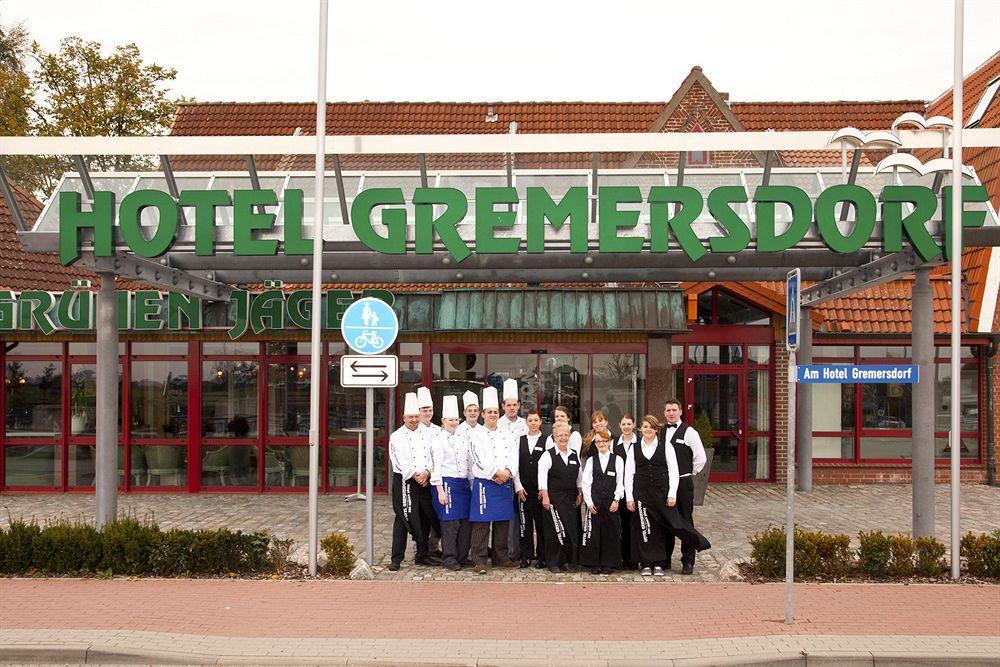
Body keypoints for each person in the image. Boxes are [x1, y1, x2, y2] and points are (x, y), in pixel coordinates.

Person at [625, 414, 710, 577]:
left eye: (650, 426)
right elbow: (629, 473)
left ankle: (659, 562)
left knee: (661, 527)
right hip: (641, 492)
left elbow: (673, 471)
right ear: (641, 429)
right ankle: (646, 563)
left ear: (656, 429)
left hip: (661, 492)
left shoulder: (666, 446)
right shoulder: (634, 448)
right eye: (645, 426)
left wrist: (672, 494)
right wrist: (629, 497)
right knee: (644, 527)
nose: (647, 429)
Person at [468, 386, 518, 574]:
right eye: (489, 412)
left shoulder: (506, 433)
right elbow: (477, 458)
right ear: (483, 414)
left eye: (495, 412)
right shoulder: (476, 433)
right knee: (481, 522)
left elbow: (513, 454)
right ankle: (479, 560)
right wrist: (495, 473)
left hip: (504, 482)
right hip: (485, 482)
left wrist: (507, 471)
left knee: (503, 522)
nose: (493, 415)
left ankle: (501, 557)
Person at [388, 392, 440, 571]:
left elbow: (434, 455)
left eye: (416, 417)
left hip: (425, 481)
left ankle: (422, 555)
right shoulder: (396, 436)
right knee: (403, 518)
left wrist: (427, 472)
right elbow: (399, 459)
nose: (414, 420)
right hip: (405, 480)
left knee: (425, 517)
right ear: (404, 417)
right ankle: (396, 558)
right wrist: (415, 474)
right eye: (410, 417)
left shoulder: (428, 434)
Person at [661, 399, 709, 575]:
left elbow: (700, 458)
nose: (671, 413)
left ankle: (688, 560)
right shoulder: (661, 432)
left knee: (685, 520)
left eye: (674, 410)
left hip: (683, 483)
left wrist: (689, 473)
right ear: (664, 413)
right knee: (665, 521)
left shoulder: (690, 432)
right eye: (668, 410)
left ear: (680, 411)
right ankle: (664, 558)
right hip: (664, 483)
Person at [430, 395, 474, 571]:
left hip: (463, 485)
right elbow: (436, 468)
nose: (454, 422)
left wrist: (471, 484)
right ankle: (449, 558)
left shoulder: (463, 439)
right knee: (450, 523)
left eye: (456, 419)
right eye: (450, 420)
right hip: (446, 484)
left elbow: (469, 464)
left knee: (465, 523)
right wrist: (440, 491)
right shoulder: (438, 441)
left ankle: (462, 556)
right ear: (443, 421)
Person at [539, 422, 583, 573]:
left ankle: (566, 560)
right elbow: (542, 477)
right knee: (555, 530)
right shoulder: (548, 455)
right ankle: (553, 562)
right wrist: (545, 496)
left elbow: (579, 475)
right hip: (554, 498)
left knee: (570, 529)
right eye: (560, 435)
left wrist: (580, 491)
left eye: (566, 435)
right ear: (554, 437)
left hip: (570, 497)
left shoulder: (574, 454)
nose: (563, 438)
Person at [580, 428, 624, 574]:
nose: (601, 444)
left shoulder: (617, 460)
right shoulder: (592, 461)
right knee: (594, 535)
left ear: (609, 442)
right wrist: (589, 502)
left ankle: (609, 563)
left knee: (610, 534)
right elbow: (586, 483)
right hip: (595, 503)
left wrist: (616, 499)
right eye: (598, 442)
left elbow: (620, 482)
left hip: (611, 503)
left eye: (604, 441)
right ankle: (595, 563)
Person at [513, 409, 548, 568]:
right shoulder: (519, 440)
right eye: (530, 420)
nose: (533, 423)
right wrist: (518, 487)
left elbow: (549, 467)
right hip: (524, 491)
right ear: (526, 423)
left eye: (536, 420)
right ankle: (526, 556)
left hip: (540, 491)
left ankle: (542, 557)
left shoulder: (548, 440)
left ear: (541, 422)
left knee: (541, 525)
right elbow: (515, 466)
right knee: (524, 525)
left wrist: (544, 489)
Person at [499, 378, 528, 563]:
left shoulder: (525, 424)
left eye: (514, 405)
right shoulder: (497, 423)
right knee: (504, 516)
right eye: (508, 405)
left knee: (519, 516)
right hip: (503, 476)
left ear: (519, 406)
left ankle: (517, 551)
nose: (511, 408)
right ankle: (505, 552)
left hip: (523, 475)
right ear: (503, 406)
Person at [613, 414, 639, 570]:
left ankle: (634, 558)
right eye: (624, 424)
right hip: (619, 490)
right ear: (619, 425)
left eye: (629, 424)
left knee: (635, 525)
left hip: (635, 490)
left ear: (634, 425)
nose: (626, 427)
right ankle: (623, 557)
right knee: (622, 525)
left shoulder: (640, 442)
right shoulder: (615, 444)